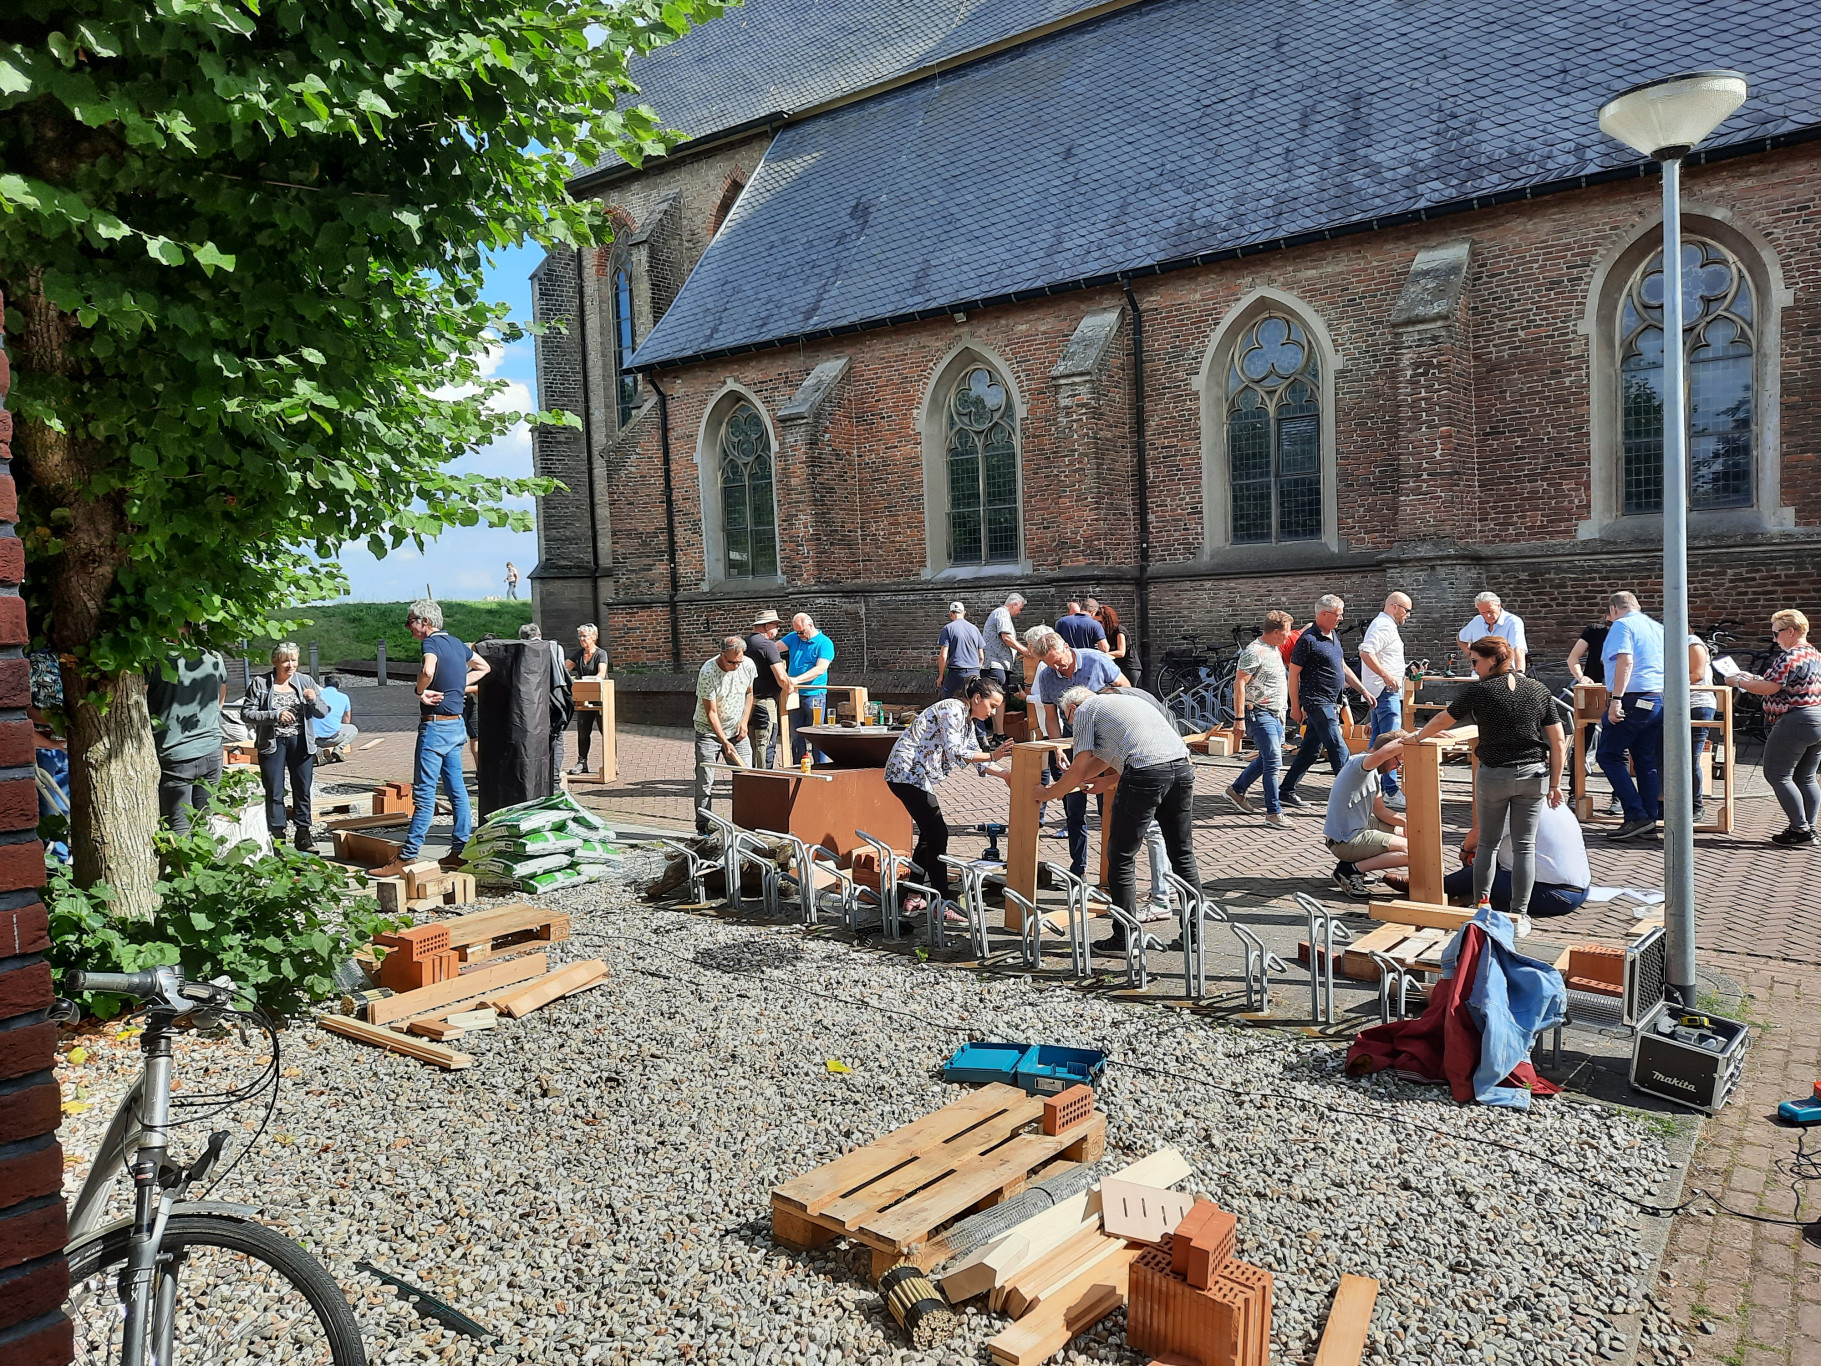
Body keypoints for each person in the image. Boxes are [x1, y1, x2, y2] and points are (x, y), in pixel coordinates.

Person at [1405, 636, 1565, 934]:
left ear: (1492, 661)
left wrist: (1416, 738)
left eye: (1475, 661)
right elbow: (1557, 740)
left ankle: (1483, 908)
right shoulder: (1538, 690)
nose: (1473, 667)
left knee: (1488, 845)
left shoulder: (1479, 691)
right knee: (1524, 847)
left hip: (1494, 776)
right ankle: (1520, 916)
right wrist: (1556, 783)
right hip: (1534, 776)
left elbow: (1443, 719)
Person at [1042, 686, 1199, 951]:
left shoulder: (1084, 712)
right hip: (1181, 767)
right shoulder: (1122, 703)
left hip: (1146, 771)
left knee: (1121, 856)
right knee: (1182, 854)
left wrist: (1049, 793)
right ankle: (1195, 936)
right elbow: (1106, 758)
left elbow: (1080, 766)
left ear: (1071, 710)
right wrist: (1101, 782)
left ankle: (1124, 937)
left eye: (1069, 722)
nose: (1072, 726)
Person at [372, 601, 488, 876]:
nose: (408, 626)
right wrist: (460, 684)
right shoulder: (458, 644)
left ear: (426, 621)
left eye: (410, 621)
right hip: (457, 726)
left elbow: (427, 671)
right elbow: (484, 667)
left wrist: (419, 691)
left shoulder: (431, 645)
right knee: (457, 791)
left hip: (435, 727)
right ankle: (459, 851)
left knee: (424, 794)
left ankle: (408, 855)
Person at [884, 679, 1011, 916]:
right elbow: (957, 752)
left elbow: (975, 759)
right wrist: (993, 755)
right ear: (976, 698)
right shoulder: (952, 709)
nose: (993, 712)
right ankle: (941, 904)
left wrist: (1004, 774)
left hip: (914, 776)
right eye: (992, 706)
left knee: (929, 835)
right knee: (938, 833)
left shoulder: (968, 722)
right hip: (906, 773)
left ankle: (914, 896)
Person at [1027, 626, 1125, 877]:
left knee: (1109, 807)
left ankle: (1111, 870)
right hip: (1073, 743)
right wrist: (1057, 746)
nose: (1057, 669)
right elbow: (1051, 716)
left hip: (1106, 742)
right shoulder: (1047, 676)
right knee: (1074, 809)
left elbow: (1125, 689)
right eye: (1051, 665)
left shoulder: (1096, 661)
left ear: (1067, 649)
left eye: (1059, 662)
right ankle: (1078, 869)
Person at [1723, 609, 1821, 845]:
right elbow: (1780, 684)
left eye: (1776, 633)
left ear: (1790, 631)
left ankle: (1800, 830)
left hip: (1795, 720)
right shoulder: (1814, 654)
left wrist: (1737, 681)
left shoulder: (1789, 657)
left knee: (1777, 774)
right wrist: (1751, 679)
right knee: (1806, 777)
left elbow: (1771, 688)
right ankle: (1808, 828)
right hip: (1817, 716)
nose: (1775, 639)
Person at [1278, 595, 1368, 809]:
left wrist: (1363, 689)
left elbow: (1342, 666)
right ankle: (1351, 797)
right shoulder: (1308, 640)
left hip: (1332, 701)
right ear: (1324, 614)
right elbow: (1293, 674)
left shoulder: (1333, 636)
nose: (1341, 618)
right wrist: (1295, 706)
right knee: (1337, 746)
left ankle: (1286, 790)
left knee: (1310, 751)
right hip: (1317, 702)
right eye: (1338, 614)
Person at [240, 643, 330, 851]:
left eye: (294, 660)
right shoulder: (260, 683)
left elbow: (323, 712)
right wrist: (275, 715)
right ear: (275, 662)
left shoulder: (306, 681)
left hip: (301, 742)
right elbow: (246, 713)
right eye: (285, 661)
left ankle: (303, 835)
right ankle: (278, 838)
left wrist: (314, 700)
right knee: (274, 790)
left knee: (303, 789)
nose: (290, 665)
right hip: (272, 744)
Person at [1444, 800, 1590, 920]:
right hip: (1578, 891)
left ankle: (1431, 893)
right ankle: (1472, 898)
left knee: (1475, 875)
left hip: (1555, 895)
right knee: (1489, 873)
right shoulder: (1552, 801)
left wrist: (1465, 850)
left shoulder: (1517, 805)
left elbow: (1479, 836)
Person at [1597, 591, 1665, 841]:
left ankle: (1636, 815)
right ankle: (1648, 820)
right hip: (1656, 697)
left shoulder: (1622, 625)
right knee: (1645, 762)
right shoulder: (1657, 628)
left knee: (1608, 755)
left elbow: (1625, 661)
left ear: (1613, 609)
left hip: (1632, 698)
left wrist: (1616, 699)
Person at [147, 648, 230, 836]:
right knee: (204, 820)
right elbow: (222, 689)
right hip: (211, 748)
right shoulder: (213, 656)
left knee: (180, 825)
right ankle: (202, 863)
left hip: (175, 753)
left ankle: (183, 865)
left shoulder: (155, 658)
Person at [1224, 611, 1294, 828]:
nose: (1288, 636)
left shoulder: (1274, 648)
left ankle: (1236, 790)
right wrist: (1239, 718)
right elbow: (1239, 684)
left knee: (1267, 758)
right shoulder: (1254, 652)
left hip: (1276, 714)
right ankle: (1273, 812)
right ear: (1275, 632)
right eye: (1286, 632)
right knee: (1273, 761)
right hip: (1259, 713)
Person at [1322, 733, 1409, 899]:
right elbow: (1382, 754)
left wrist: (1408, 823)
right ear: (1389, 753)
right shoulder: (1361, 764)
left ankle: (1352, 864)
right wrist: (1421, 734)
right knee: (1412, 851)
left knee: (1407, 835)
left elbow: (1381, 811)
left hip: (1354, 832)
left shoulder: (1373, 773)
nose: (1398, 767)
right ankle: (1349, 871)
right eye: (1398, 761)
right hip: (1346, 841)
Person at [693, 636, 756, 833]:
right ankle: (703, 827)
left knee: (747, 776)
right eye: (731, 662)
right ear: (722, 654)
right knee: (705, 780)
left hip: (736, 731)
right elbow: (711, 713)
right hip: (708, 732)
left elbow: (749, 693)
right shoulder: (708, 671)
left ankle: (747, 825)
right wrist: (723, 742)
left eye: (739, 661)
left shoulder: (747, 665)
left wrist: (744, 721)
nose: (736, 666)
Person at [1358, 593, 1413, 809]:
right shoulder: (1384, 625)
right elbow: (1365, 651)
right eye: (1406, 610)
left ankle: (1370, 787)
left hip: (1382, 691)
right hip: (1385, 691)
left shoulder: (1385, 625)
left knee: (1378, 742)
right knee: (1391, 743)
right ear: (1393, 606)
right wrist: (1387, 676)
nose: (1408, 615)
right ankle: (1390, 790)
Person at [520, 623, 572, 790]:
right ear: (540, 634)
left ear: (522, 638)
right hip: (555, 701)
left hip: (532, 704)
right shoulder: (555, 648)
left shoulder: (522, 650)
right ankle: (555, 781)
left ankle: (537, 780)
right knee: (557, 739)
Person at [736, 611, 791, 769]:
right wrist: (790, 689)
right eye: (776, 625)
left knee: (750, 743)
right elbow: (781, 677)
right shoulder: (768, 645)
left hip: (745, 703)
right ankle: (764, 780)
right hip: (764, 703)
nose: (777, 630)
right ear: (767, 626)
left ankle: (750, 777)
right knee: (765, 743)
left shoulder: (744, 644)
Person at [786, 613, 835, 764]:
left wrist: (797, 680)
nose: (799, 635)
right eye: (796, 632)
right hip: (794, 694)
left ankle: (820, 766)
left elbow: (820, 669)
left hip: (814, 695)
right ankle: (798, 766)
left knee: (816, 734)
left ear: (810, 626)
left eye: (801, 632)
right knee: (796, 734)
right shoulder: (794, 636)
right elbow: (773, 649)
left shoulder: (824, 643)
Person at [981, 593, 1031, 737]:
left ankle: (998, 733)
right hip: (996, 664)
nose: (1019, 612)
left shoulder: (1000, 614)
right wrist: (1025, 651)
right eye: (1019, 609)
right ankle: (999, 734)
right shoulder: (1002, 613)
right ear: (1014, 604)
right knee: (997, 698)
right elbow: (1007, 637)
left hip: (999, 664)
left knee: (1000, 698)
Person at [565, 624, 609, 775]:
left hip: (601, 698)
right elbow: (564, 669)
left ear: (594, 637)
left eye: (585, 636)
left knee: (606, 730)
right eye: (580, 636)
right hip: (584, 699)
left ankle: (612, 761)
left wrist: (593, 680)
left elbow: (601, 673)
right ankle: (582, 762)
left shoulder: (601, 654)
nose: (582, 639)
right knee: (583, 732)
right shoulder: (578, 655)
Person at [1458, 592, 1528, 673]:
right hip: (1479, 675)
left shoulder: (1513, 622)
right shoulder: (1477, 621)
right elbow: (1460, 638)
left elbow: (1518, 648)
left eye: (1490, 611)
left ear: (1499, 606)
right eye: (1483, 613)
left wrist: (1520, 673)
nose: (1487, 616)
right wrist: (1472, 656)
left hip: (1503, 673)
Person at [1688, 632, 1716, 825]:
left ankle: (1696, 805)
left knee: (1691, 758)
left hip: (1697, 706)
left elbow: (1696, 675)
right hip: (1674, 707)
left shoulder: (1692, 641)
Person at [935, 601, 986, 699]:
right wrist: (976, 670)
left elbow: (943, 656)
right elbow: (981, 657)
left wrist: (941, 675)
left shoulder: (948, 628)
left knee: (949, 703)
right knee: (972, 703)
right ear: (964, 613)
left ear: (951, 614)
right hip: (974, 672)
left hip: (957, 673)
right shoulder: (974, 629)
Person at [1085, 597, 1135, 683]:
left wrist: (1100, 654)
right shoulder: (1103, 632)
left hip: (1128, 668)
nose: (1098, 625)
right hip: (1116, 667)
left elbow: (1121, 652)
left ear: (1107, 620)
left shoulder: (1119, 631)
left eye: (1100, 622)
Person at [312, 672, 357, 761]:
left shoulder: (316, 695)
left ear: (324, 684)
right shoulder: (344, 697)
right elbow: (347, 719)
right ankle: (339, 748)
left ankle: (316, 749)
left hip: (313, 739)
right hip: (333, 737)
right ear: (339, 685)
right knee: (353, 729)